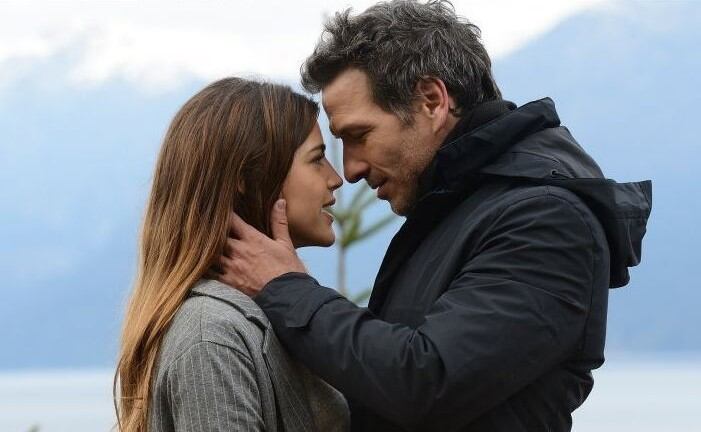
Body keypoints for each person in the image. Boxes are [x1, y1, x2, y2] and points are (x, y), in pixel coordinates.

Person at [215, 1, 652, 431]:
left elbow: (425, 382)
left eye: (359, 135)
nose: (350, 170)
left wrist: (285, 289)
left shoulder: (546, 219)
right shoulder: (458, 210)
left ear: (431, 100)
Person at [114, 78, 349, 432]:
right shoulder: (212, 335)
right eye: (317, 159)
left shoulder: (253, 317)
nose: (336, 179)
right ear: (246, 177)